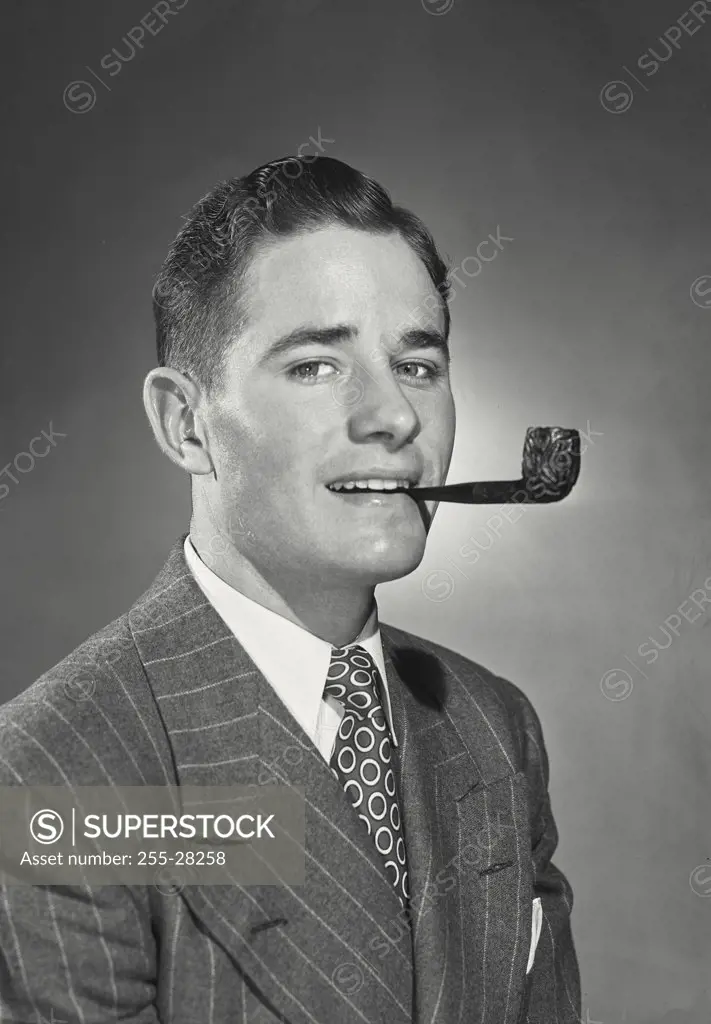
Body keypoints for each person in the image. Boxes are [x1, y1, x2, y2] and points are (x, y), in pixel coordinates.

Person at [0, 156, 581, 1023]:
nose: (392, 416)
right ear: (185, 424)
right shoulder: (56, 775)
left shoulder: (495, 728)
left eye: (417, 364)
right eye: (315, 365)